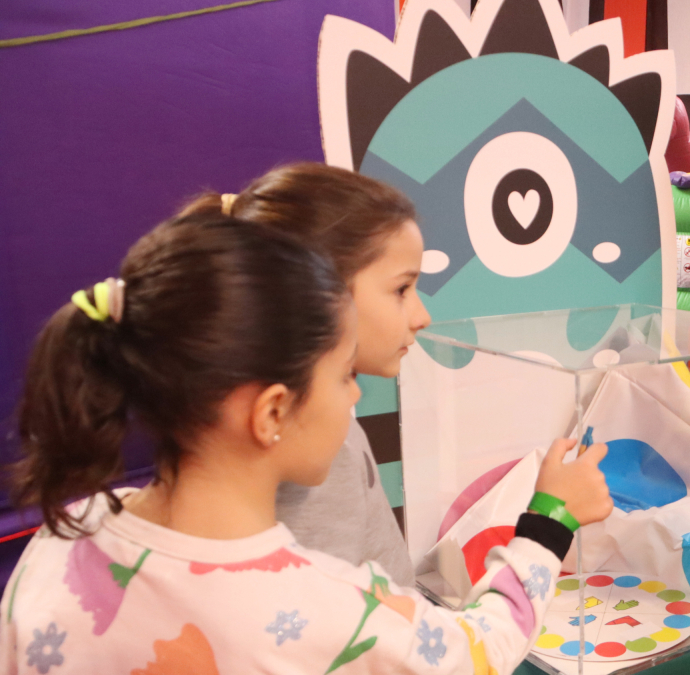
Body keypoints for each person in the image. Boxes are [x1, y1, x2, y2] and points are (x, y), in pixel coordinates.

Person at [3, 210, 612, 673]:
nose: (352, 399)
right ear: (272, 410)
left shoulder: (63, 534)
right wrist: (550, 518)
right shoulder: (327, 609)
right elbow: (481, 649)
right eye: (345, 375)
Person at [212, 163, 431, 585]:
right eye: (402, 289)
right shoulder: (313, 450)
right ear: (320, 292)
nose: (422, 316)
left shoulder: (330, 423)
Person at [665, 97, 690, 173]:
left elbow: (662, 137)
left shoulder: (669, 105)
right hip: (686, 171)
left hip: (683, 175)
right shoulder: (674, 102)